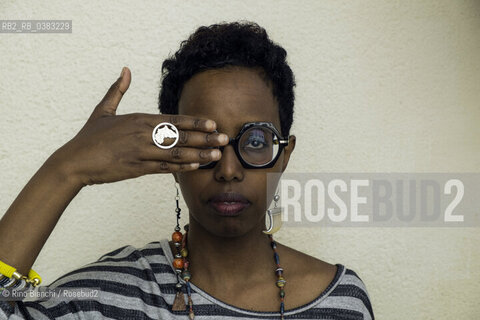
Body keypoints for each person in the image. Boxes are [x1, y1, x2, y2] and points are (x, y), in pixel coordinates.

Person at [0, 21, 374, 319]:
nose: (228, 170)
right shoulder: (107, 297)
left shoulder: (341, 301)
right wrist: (66, 168)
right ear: (172, 159)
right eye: (204, 144)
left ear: (284, 156)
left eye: (255, 142)